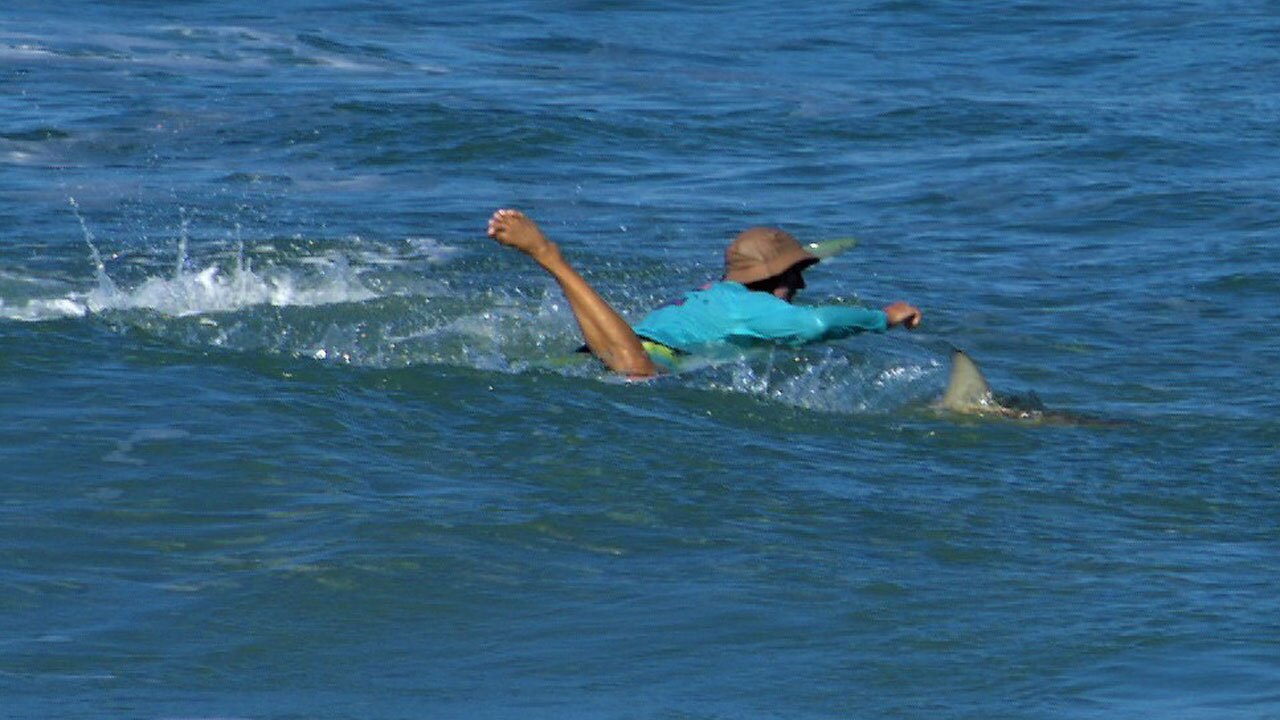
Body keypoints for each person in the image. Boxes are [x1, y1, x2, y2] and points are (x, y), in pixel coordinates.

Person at [485, 208, 921, 378]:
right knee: (635, 370)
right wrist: (884, 317)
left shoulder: (713, 294)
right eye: (798, 275)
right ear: (773, 278)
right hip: (637, 355)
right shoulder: (755, 308)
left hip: (591, 350)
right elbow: (821, 322)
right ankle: (549, 256)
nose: (803, 286)